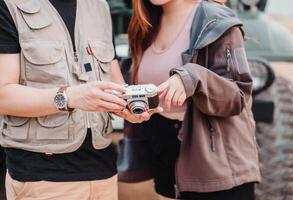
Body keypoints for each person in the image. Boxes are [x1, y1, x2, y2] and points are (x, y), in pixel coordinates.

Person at [0, 0, 161, 199]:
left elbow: (115, 84)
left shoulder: (100, 6)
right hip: (42, 179)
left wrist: (129, 107)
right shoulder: (9, 5)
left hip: (104, 173)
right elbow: (3, 96)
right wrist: (68, 97)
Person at [124, 0, 261, 199]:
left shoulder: (216, 20)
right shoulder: (144, 23)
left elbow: (238, 95)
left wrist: (190, 77)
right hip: (165, 160)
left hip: (216, 168)